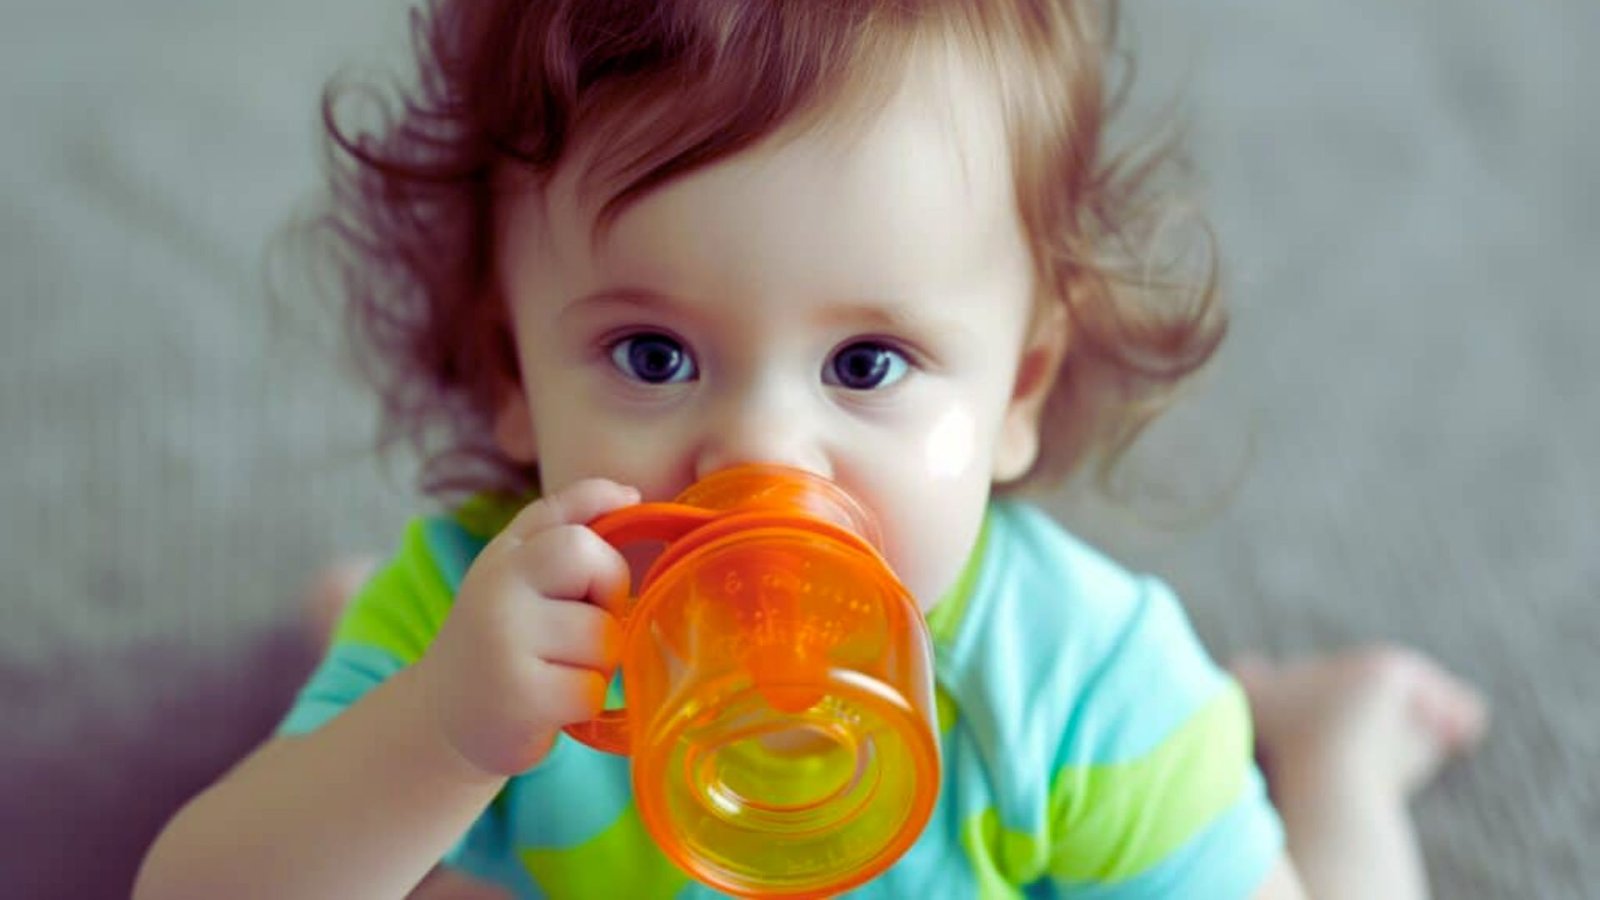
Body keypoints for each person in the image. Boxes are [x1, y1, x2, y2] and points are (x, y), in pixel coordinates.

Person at [135, 1, 1487, 897]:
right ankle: (352, 666)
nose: (764, 452)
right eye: (653, 356)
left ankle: (1334, 749)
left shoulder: (1087, 692)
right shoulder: (486, 632)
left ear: (1018, 390)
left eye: (866, 365)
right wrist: (434, 737)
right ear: (511, 373)